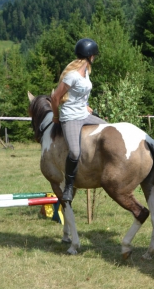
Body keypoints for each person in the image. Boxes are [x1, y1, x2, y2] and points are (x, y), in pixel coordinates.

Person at [51, 38, 107, 202]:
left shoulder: (86, 72)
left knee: (111, 130)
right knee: (75, 152)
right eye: (94, 55)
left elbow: (81, 94)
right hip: (70, 117)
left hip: (84, 114)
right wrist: (56, 117)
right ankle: (69, 185)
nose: (94, 58)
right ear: (90, 56)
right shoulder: (72, 76)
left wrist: (86, 105)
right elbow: (55, 98)